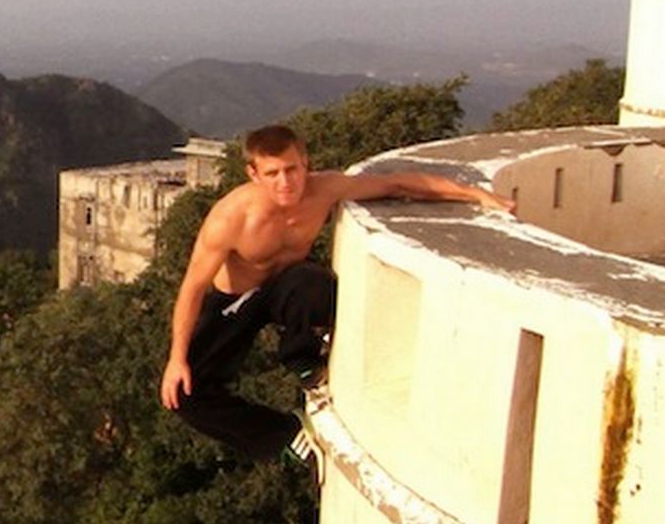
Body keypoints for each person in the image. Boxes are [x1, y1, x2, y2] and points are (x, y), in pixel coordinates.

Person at [158, 123, 514, 458]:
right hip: (235, 301)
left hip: (286, 287)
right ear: (254, 174)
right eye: (272, 173)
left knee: (318, 286)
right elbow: (192, 288)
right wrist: (177, 358)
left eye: (292, 169)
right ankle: (286, 435)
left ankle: (304, 361)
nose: (285, 181)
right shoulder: (230, 218)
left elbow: (398, 185)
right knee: (185, 397)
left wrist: (472, 194)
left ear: (305, 163)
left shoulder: (323, 189)